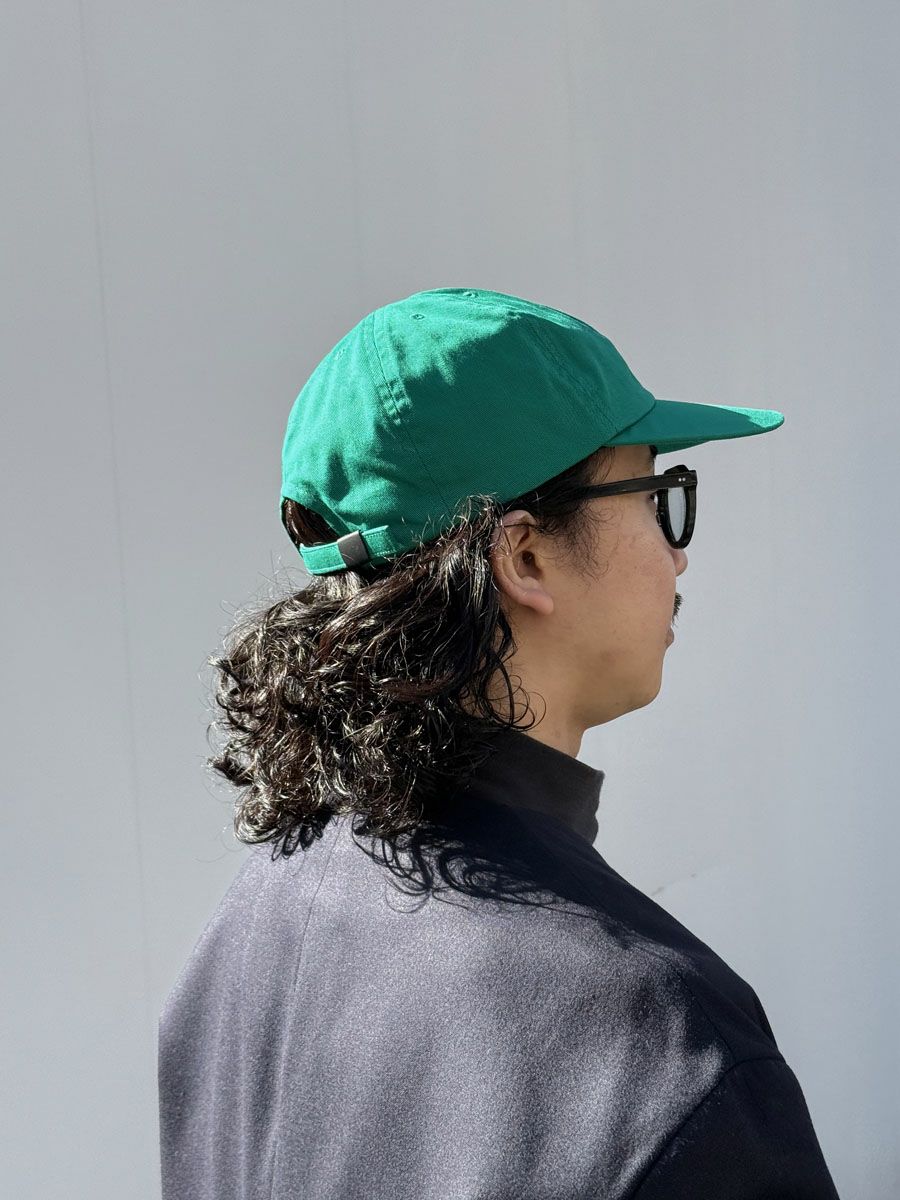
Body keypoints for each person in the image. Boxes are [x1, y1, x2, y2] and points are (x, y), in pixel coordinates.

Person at [158, 287, 841, 1197]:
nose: (676, 553)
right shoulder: (660, 1040)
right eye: (657, 497)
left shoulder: (248, 933)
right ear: (523, 557)